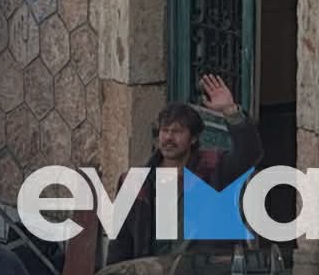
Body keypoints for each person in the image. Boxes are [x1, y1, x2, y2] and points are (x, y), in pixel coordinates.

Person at [105, 73, 264, 264]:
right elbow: (120, 243)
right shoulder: (134, 183)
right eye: (165, 131)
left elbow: (250, 154)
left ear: (193, 138)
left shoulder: (213, 169)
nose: (168, 138)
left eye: (177, 132)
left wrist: (231, 111)